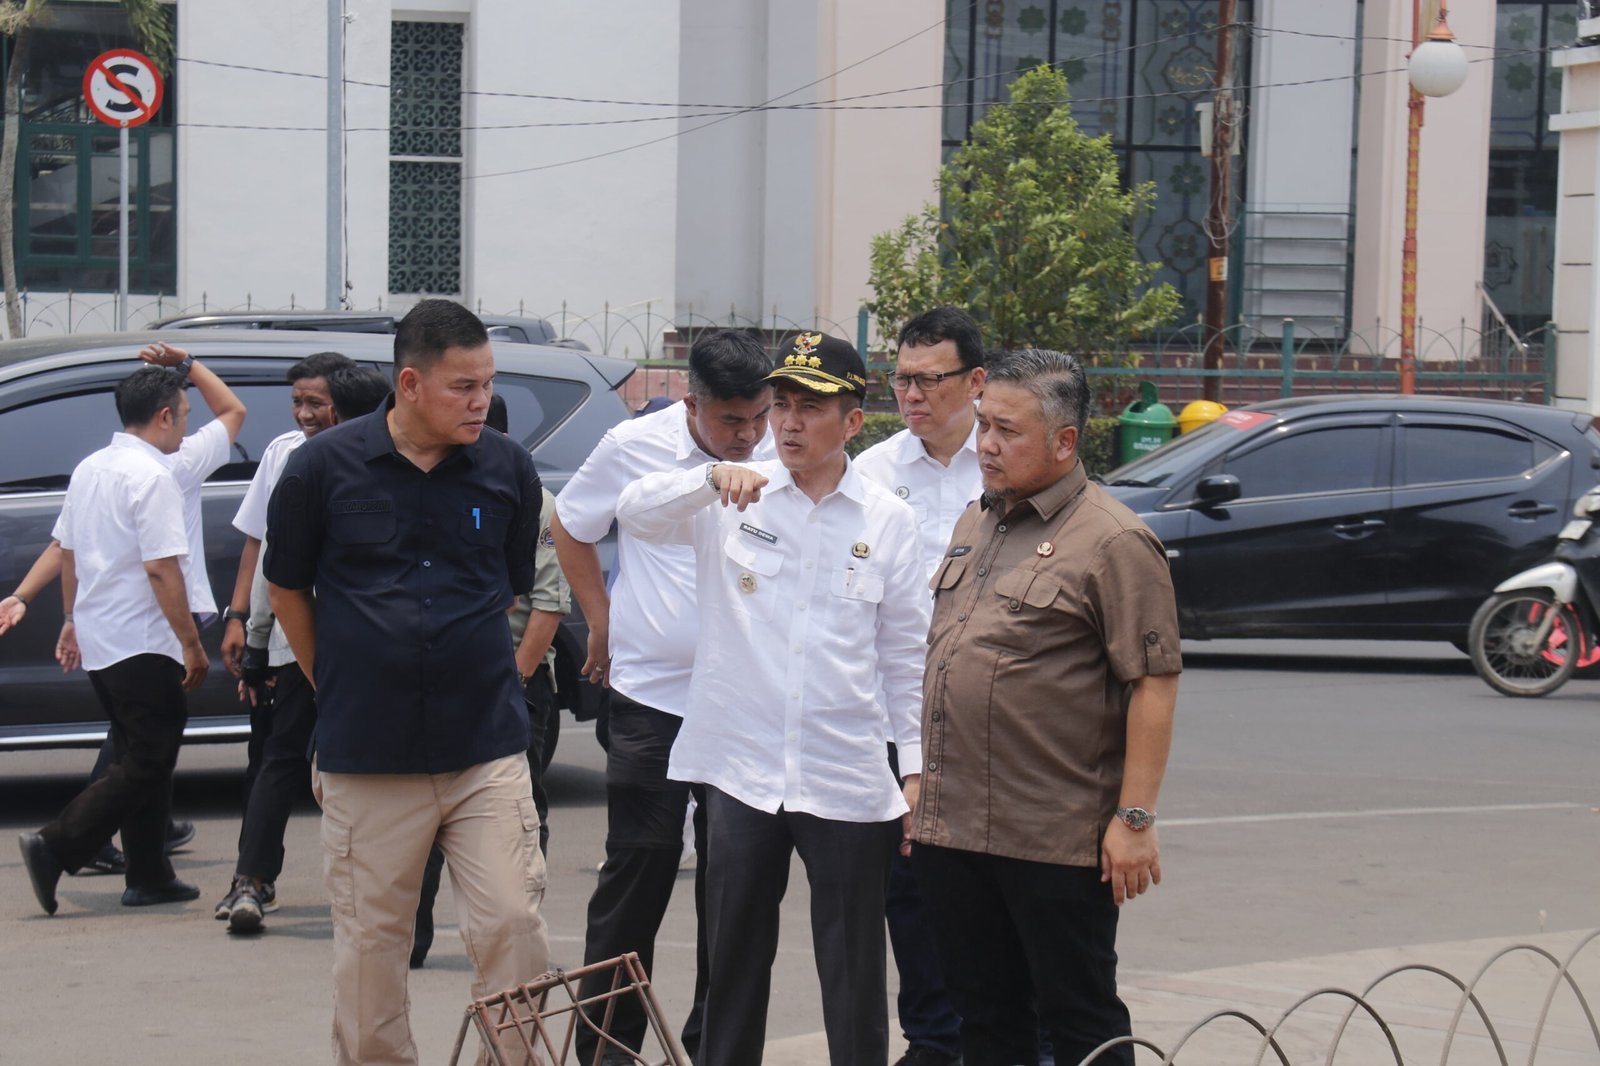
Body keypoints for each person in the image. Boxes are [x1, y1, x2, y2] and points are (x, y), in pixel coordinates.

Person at [615, 332, 929, 1066]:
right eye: (781, 404)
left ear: (852, 422)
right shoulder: (734, 492)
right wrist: (706, 479)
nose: (788, 423)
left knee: (853, 972)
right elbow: (634, 514)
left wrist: (915, 769)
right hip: (742, 771)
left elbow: (905, 656)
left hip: (845, 773)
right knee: (732, 963)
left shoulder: (887, 519)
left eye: (810, 408)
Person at [264, 299, 548, 1065]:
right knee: (372, 947)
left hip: (484, 746)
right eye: (464, 386)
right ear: (411, 384)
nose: (482, 401)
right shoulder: (321, 468)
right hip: (368, 753)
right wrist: (335, 678)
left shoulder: (507, 468)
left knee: (514, 925)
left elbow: (510, 586)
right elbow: (286, 587)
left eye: (488, 384)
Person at [911, 349, 1182, 1066]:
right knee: (983, 1018)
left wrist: (1135, 820)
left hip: (1052, 836)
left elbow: (1153, 683)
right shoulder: (977, 521)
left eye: (1007, 431)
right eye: (983, 425)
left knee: (1080, 1018)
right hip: (954, 828)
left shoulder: (1115, 541)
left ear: (1064, 441)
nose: (986, 445)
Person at [553, 329, 774, 1062]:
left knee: (733, 888)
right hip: (651, 698)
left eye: (760, 417)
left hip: (745, 703)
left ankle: (716, 1047)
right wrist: (601, 620)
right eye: (731, 421)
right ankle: (607, 1051)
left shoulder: (780, 451)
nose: (748, 436)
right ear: (692, 403)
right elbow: (571, 526)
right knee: (637, 873)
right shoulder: (632, 446)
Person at [3, 342, 244, 875]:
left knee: (140, 750)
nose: (188, 424)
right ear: (165, 417)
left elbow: (67, 549)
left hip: (104, 637)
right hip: (146, 637)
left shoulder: (92, 467)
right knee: (148, 758)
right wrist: (190, 645)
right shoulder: (160, 472)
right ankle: (59, 844)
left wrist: (66, 616)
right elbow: (161, 568)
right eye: (184, 415)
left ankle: (149, 875)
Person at [853, 307, 985, 1066]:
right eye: (902, 379)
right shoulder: (874, 472)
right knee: (907, 880)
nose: (912, 395)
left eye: (930, 380)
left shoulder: (1002, 464)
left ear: (975, 382)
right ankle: (933, 1039)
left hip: (987, 705)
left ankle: (999, 1035)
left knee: (989, 879)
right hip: (898, 706)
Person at [410, 391, 571, 970]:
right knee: (424, 812)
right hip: (438, 680)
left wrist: (516, 681)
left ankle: (518, 946)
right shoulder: (425, 490)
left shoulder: (536, 503)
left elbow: (547, 604)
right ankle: (411, 940)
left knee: (518, 814)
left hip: (513, 681)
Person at [212, 351, 354, 929]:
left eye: (316, 402)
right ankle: (250, 881)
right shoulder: (283, 454)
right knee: (277, 756)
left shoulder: (374, 457)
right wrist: (241, 620)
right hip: (293, 640)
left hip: (360, 639)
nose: (304, 413)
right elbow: (261, 545)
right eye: (298, 402)